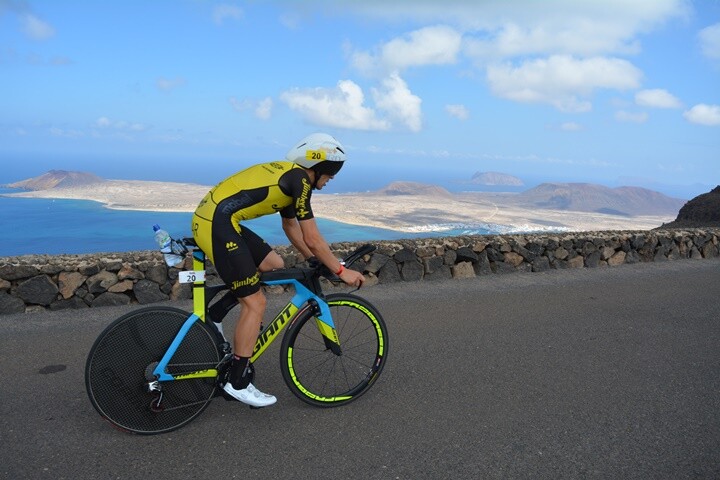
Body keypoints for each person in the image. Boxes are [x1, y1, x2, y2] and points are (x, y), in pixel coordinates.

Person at [191, 133, 365, 407]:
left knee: (274, 265)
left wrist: (314, 260)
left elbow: (290, 227)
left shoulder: (292, 176)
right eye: (330, 174)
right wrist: (341, 272)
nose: (330, 180)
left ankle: (216, 313)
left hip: (220, 219)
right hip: (217, 223)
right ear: (319, 167)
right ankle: (237, 382)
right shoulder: (300, 181)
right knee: (255, 303)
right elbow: (313, 237)